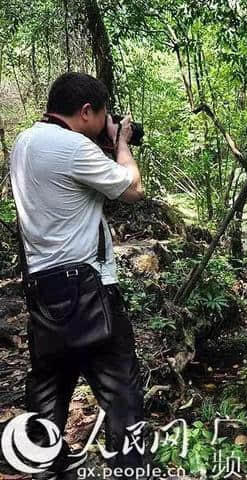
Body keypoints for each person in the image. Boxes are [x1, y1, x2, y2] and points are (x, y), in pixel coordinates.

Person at [9, 72, 145, 478]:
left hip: (42, 290)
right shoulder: (71, 148)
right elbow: (133, 188)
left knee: (50, 394)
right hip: (89, 290)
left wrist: (101, 140)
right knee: (122, 397)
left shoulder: (25, 141)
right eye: (103, 115)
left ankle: (48, 468)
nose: (106, 121)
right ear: (87, 111)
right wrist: (120, 142)